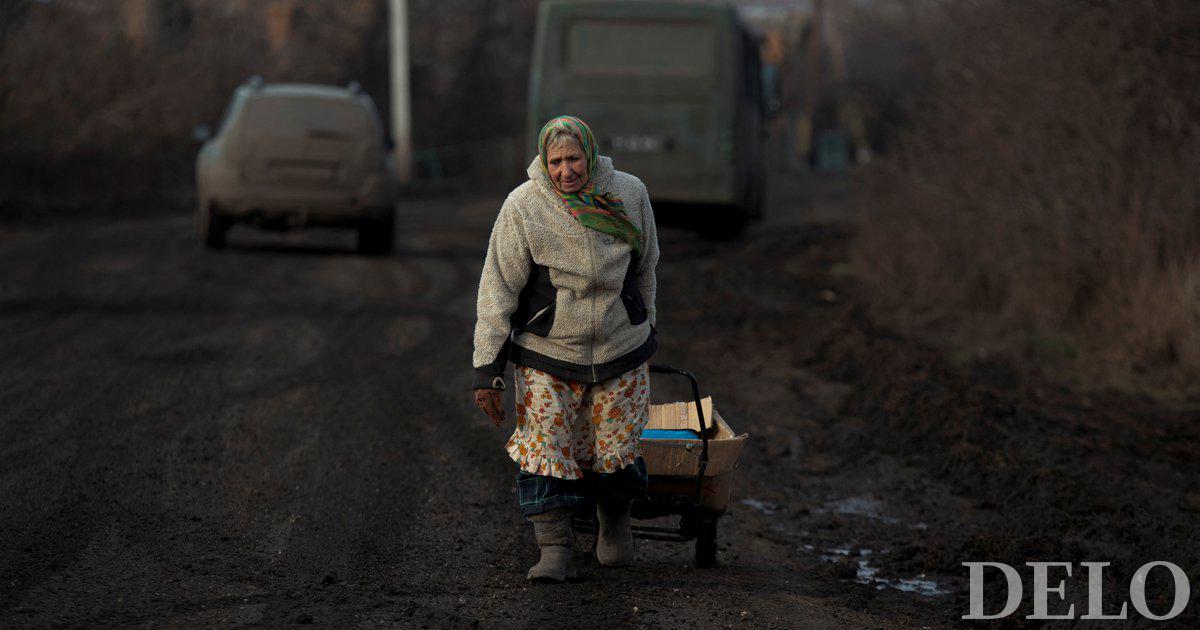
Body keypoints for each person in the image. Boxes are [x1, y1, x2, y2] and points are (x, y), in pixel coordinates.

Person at [471, 115, 660, 583]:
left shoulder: (629, 193)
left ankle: (614, 522)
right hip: (549, 351)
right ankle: (554, 547)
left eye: (574, 159)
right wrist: (486, 368)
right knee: (545, 448)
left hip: (621, 347)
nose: (565, 171)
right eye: (555, 161)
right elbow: (498, 288)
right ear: (543, 161)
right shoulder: (524, 206)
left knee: (616, 450)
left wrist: (645, 323)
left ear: (590, 156)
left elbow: (646, 265)